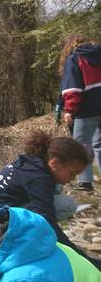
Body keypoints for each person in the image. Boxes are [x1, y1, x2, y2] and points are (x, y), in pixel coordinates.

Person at [0, 130, 101, 269]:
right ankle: (29, 241)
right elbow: (46, 220)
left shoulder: (35, 162)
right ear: (54, 163)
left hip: (1, 206)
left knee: (63, 201)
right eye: (71, 173)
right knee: (52, 216)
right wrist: (77, 254)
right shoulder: (38, 178)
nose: (72, 179)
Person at [59, 34, 101, 191]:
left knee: (82, 145)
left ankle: (85, 182)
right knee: (100, 144)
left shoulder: (75, 59)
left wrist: (69, 110)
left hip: (87, 108)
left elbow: (73, 88)